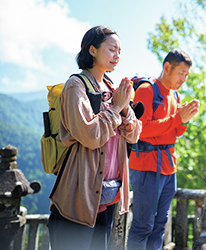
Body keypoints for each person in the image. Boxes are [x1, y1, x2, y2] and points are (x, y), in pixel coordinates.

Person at [47, 26, 142, 250]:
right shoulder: (76, 86)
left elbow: (134, 135)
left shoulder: (112, 88)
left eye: (120, 50)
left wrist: (126, 111)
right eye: (111, 49)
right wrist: (118, 106)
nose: (117, 55)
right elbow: (90, 135)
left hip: (108, 196)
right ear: (92, 50)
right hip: (79, 198)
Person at [128, 48, 200, 250]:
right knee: (143, 226)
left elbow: (174, 133)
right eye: (181, 73)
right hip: (146, 167)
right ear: (167, 67)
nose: (184, 79)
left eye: (187, 75)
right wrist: (178, 118)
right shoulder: (147, 90)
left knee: (160, 225)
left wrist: (184, 120)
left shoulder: (175, 96)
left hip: (168, 167)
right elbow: (142, 130)